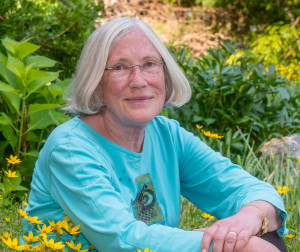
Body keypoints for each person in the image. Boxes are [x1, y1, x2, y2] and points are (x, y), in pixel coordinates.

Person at [23, 17, 288, 252]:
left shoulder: (166, 135)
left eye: (149, 64)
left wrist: (252, 217)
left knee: (263, 233)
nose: (138, 81)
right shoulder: (71, 148)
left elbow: (251, 190)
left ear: (165, 73)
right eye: (119, 67)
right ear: (96, 84)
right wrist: (234, 244)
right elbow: (123, 240)